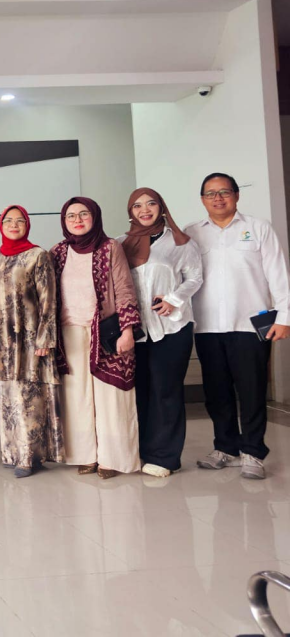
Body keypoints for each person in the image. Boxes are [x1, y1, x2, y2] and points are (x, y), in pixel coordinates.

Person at [185, 172, 290, 480]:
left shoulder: (258, 228)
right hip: (207, 326)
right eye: (211, 193)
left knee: (253, 390)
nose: (218, 198)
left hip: (251, 324)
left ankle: (253, 452)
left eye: (224, 192)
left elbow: (278, 275)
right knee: (216, 392)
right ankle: (225, 448)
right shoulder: (192, 233)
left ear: (236, 195)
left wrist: (284, 317)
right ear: (203, 199)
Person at [51, 197, 141, 479]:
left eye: (84, 214)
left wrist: (127, 330)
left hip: (106, 332)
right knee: (76, 399)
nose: (77, 220)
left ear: (95, 216)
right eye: (71, 216)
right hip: (69, 333)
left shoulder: (110, 247)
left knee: (111, 399)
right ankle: (85, 455)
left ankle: (113, 459)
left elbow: (125, 288)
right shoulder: (58, 252)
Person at [119, 188, 202, 478]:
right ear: (130, 211)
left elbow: (195, 277)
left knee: (166, 391)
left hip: (172, 328)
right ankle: (142, 450)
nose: (144, 210)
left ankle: (165, 457)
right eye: (137, 205)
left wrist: (174, 299)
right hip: (135, 331)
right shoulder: (120, 244)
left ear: (161, 207)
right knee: (140, 390)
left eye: (150, 203)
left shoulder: (180, 242)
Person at [0, 206, 64, 478]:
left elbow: (49, 300)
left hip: (29, 338)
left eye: (20, 221)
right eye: (8, 220)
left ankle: (30, 456)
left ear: (27, 224)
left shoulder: (37, 255)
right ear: (0, 224)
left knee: (29, 396)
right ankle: (10, 452)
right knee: (6, 398)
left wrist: (45, 337)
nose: (13, 224)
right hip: (0, 339)